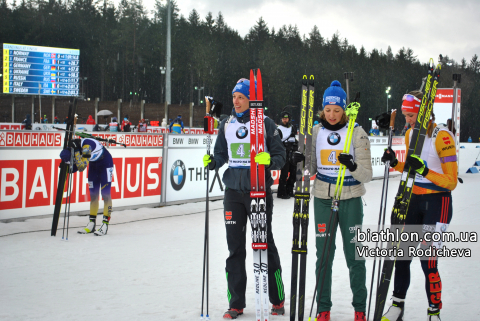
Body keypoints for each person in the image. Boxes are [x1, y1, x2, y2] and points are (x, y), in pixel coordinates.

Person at [202, 78, 286, 319]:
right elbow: (220, 153)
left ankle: (277, 299)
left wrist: (269, 160)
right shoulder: (227, 124)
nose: (236, 101)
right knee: (234, 249)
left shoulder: (266, 124)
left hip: (258, 191)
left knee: (264, 245)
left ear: (252, 100)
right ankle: (236, 304)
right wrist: (213, 162)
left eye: (241, 97)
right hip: (233, 194)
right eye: (234, 97)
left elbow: (280, 155)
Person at [292, 80, 372, 321]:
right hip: (323, 199)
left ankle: (359, 308)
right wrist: (299, 160)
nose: (332, 115)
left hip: (351, 199)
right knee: (323, 256)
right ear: (322, 109)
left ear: (345, 110)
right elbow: (311, 168)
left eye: (337, 110)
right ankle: (323, 308)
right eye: (328, 110)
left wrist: (352, 165)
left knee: (354, 255)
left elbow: (367, 174)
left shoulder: (357, 132)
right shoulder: (316, 131)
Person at [381, 91, 458, 321]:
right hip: (413, 200)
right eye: (405, 115)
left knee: (428, 260)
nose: (408, 120)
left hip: (437, 203)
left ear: (423, 112)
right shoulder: (410, 134)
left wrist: (425, 170)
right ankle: (397, 305)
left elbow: (451, 181)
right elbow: (410, 169)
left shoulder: (443, 136)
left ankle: (434, 310)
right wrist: (395, 163)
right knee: (402, 256)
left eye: (411, 115)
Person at [59, 137, 113, 236]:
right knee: (93, 195)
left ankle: (105, 224)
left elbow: (82, 166)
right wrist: (67, 168)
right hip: (94, 165)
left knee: (105, 194)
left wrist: (75, 153)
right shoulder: (74, 148)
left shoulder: (86, 146)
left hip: (105, 163)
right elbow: (76, 166)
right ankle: (92, 223)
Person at [276, 111, 297, 198]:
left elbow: (294, 139)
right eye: (283, 118)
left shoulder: (292, 127)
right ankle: (281, 192)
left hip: (292, 152)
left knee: (293, 173)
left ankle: (290, 190)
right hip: (284, 152)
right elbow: (277, 142)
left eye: (286, 118)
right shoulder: (278, 128)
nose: (285, 120)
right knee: (284, 173)